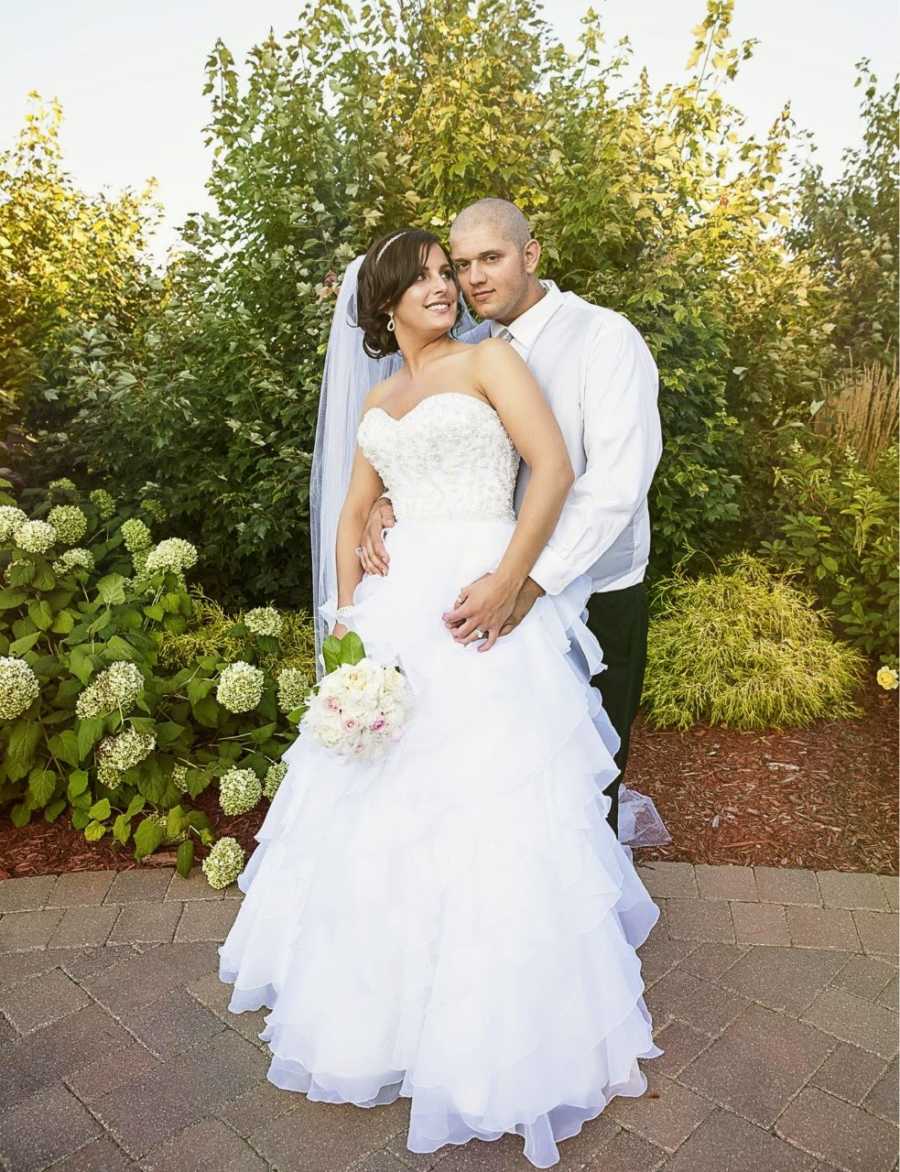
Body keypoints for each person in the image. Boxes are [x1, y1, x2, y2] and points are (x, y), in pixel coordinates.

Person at [218, 227, 663, 1169]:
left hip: (485, 598)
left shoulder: (491, 360)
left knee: (496, 804)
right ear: (381, 304)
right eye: (424, 277)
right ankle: (386, 1017)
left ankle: (504, 1029)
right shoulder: (380, 397)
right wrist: (344, 631)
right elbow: (351, 512)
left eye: (449, 273)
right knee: (383, 808)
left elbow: (558, 468)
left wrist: (512, 578)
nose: (445, 287)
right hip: (396, 612)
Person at [358, 199, 667, 845]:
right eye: (461, 263)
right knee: (502, 766)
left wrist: (525, 581)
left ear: (530, 255)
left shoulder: (604, 337)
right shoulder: (474, 348)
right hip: (493, 582)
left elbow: (616, 484)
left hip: (591, 585)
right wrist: (389, 504)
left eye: (489, 259)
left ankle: (587, 923)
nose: (470, 280)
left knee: (587, 763)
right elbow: (446, 448)